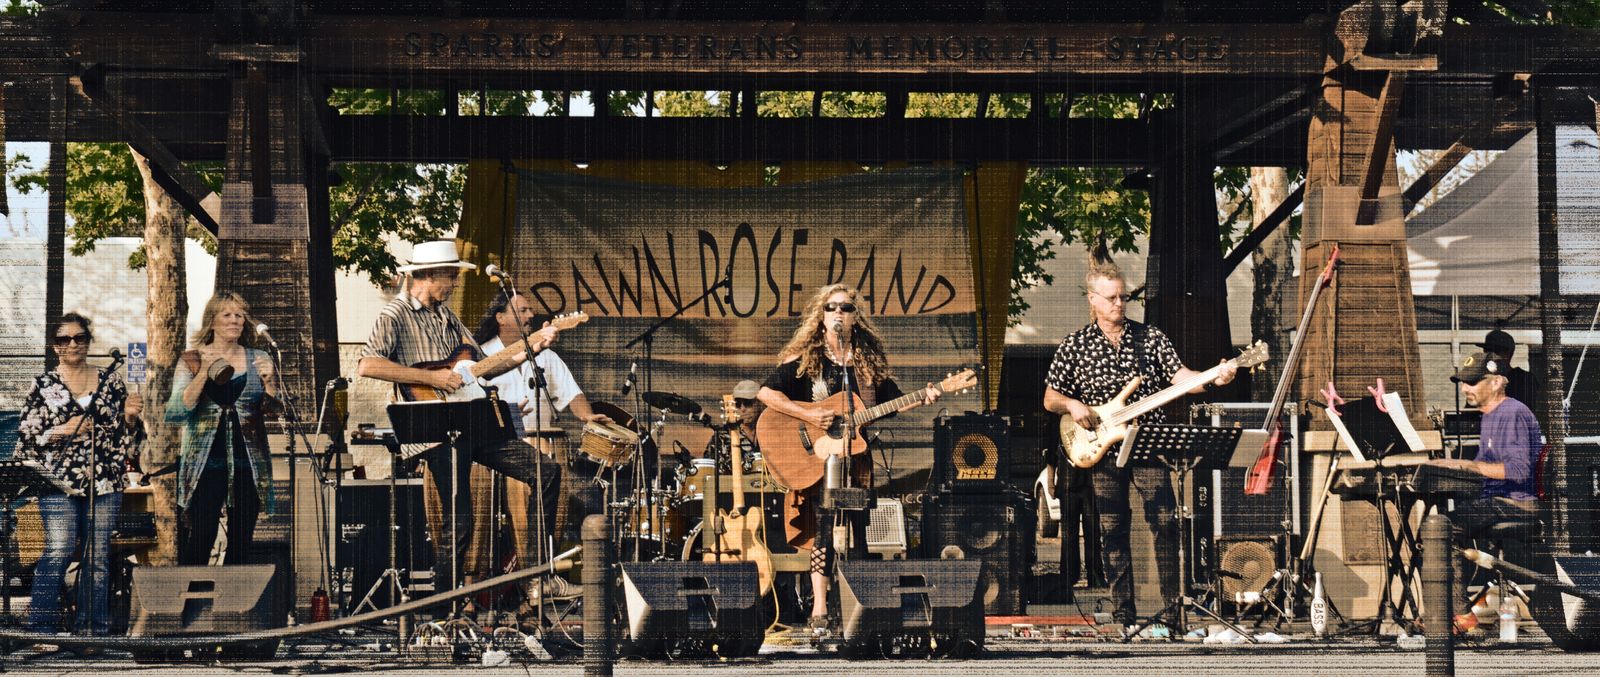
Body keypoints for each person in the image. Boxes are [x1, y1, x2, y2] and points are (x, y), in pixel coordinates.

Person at [355, 240, 566, 597]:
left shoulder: (448, 316)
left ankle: (535, 576)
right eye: (450, 276)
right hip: (434, 426)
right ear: (427, 275)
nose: (455, 283)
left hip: (469, 421)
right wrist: (433, 378)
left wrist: (534, 346)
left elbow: (483, 366)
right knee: (461, 521)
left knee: (546, 471)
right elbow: (368, 365)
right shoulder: (394, 315)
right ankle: (442, 606)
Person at [1041, 264, 1236, 630]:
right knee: (1113, 529)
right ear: (1093, 299)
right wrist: (1073, 404)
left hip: (1147, 442)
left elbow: (1182, 378)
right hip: (1102, 446)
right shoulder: (1075, 344)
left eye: (1124, 296)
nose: (1119, 303)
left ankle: (1174, 612)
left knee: (1165, 521)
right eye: (1111, 297)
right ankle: (1124, 615)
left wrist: (1214, 378)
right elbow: (1050, 397)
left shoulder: (1151, 338)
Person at [756, 284, 940, 629]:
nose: (838, 313)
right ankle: (820, 609)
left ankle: (860, 609)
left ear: (856, 317)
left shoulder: (865, 365)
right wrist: (810, 416)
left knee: (860, 531)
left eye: (845, 307)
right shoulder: (807, 358)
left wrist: (927, 395)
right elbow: (766, 393)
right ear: (821, 316)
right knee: (823, 529)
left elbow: (891, 401)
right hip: (819, 459)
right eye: (831, 307)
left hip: (856, 460)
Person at [14, 312, 142, 635]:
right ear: (55, 346)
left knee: (98, 556)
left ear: (88, 341)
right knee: (58, 549)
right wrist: (63, 430)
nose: (72, 344)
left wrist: (129, 418)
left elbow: (125, 438)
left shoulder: (110, 380)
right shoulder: (43, 385)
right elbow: (27, 437)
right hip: (59, 481)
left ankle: (92, 632)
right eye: (64, 339)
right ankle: (41, 628)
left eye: (79, 337)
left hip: (104, 479)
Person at [470, 290, 609, 575]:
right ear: (500, 318)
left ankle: (537, 577)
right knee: (477, 526)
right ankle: (475, 583)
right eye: (522, 310)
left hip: (537, 447)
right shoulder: (481, 356)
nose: (531, 315)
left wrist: (587, 416)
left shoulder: (548, 357)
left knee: (574, 499)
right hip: (491, 449)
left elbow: (572, 394)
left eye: (530, 310)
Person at [1431, 351, 1544, 632]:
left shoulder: (1512, 413)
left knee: (1444, 529)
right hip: (1498, 501)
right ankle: (1446, 611)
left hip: (1516, 503)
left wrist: (1466, 465)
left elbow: (1519, 471)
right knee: (1441, 523)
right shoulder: (1490, 416)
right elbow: (1483, 470)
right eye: (1463, 382)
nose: (1464, 389)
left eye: (1472, 382)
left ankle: (1459, 615)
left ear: (1496, 382)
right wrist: (1447, 470)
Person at [165, 292, 277, 565]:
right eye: (227, 314)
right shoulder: (192, 359)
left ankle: (232, 593)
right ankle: (194, 592)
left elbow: (272, 411)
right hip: (204, 464)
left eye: (239, 315)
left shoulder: (258, 358)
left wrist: (270, 383)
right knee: (201, 536)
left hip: (248, 462)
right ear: (212, 321)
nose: (235, 320)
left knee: (242, 541)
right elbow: (177, 411)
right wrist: (204, 371)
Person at [1475, 328, 1540, 420]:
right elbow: (1469, 416)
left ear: (1508, 353)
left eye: (1495, 351)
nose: (1489, 355)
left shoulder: (1524, 380)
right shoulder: (1481, 381)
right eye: (1486, 351)